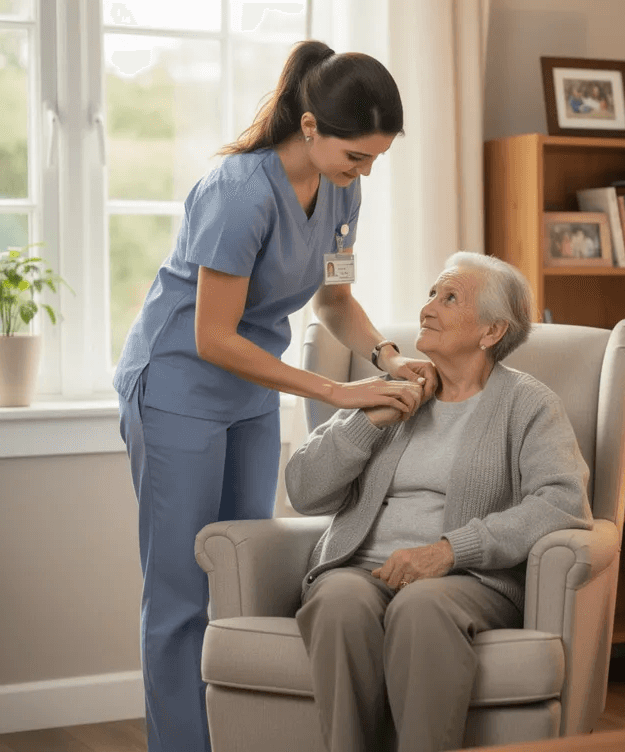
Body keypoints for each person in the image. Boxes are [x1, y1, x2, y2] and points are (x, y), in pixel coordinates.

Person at [113, 40, 438, 752]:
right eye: (359, 155)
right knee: (178, 595)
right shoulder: (237, 193)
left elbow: (333, 300)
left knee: (243, 575)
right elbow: (213, 336)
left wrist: (386, 356)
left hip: (250, 394)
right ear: (313, 127)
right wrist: (336, 390)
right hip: (177, 388)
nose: (367, 171)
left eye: (377, 159)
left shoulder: (342, 187)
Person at [288, 252, 594, 752]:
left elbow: (562, 503)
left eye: (449, 298)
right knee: (338, 602)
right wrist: (367, 421)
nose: (428, 307)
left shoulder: (528, 404)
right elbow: (303, 490)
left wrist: (450, 550)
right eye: (431, 294)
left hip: (464, 580)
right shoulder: (394, 392)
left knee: (422, 606)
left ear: (491, 331)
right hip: (360, 568)